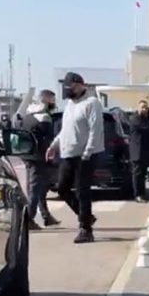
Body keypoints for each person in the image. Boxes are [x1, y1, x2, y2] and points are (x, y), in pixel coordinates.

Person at [46, 72, 105, 243]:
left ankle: (86, 229)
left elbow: (96, 130)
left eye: (70, 86)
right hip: (68, 153)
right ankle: (85, 216)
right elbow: (65, 130)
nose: (67, 90)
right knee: (62, 188)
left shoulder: (92, 103)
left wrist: (88, 152)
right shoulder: (70, 105)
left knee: (82, 191)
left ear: (80, 85)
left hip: (85, 155)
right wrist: (53, 146)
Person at [21, 90, 60, 229]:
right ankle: (28, 220)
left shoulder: (27, 116)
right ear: (45, 101)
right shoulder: (44, 118)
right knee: (36, 189)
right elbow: (49, 140)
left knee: (39, 188)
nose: (53, 104)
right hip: (39, 158)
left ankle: (46, 216)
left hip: (27, 156)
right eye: (52, 101)